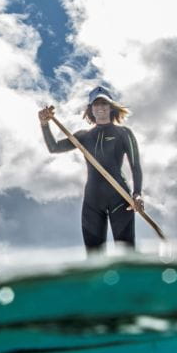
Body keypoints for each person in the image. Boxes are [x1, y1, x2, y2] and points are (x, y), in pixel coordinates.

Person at [38, 85, 144, 251]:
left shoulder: (124, 133)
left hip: (121, 199)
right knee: (94, 258)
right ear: (90, 109)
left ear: (111, 107)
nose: (100, 107)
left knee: (127, 254)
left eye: (104, 103)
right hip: (92, 202)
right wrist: (44, 124)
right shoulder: (83, 136)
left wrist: (137, 194)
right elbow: (54, 148)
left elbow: (135, 165)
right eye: (96, 104)